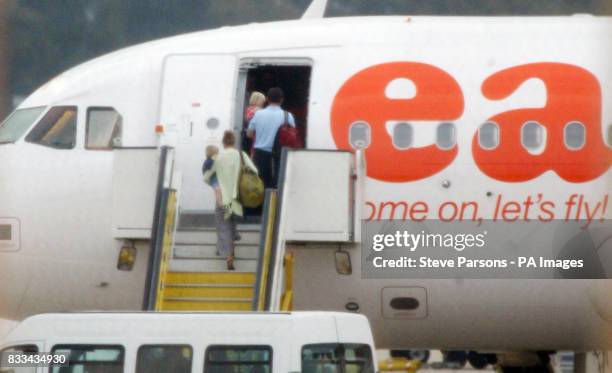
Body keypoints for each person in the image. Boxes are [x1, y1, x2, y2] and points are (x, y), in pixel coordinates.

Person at [203, 130, 258, 270]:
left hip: (223, 199)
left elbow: (206, 177)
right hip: (238, 199)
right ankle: (231, 250)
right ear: (234, 142)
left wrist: (216, 186)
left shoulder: (218, 157)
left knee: (223, 226)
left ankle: (228, 257)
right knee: (232, 224)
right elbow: (255, 172)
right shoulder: (241, 155)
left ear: (223, 142)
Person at [247, 87, 295, 188]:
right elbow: (293, 138)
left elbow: (249, 134)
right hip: (280, 156)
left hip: (259, 155)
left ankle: (261, 204)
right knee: (277, 186)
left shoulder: (258, 114)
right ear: (282, 100)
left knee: (259, 186)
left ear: (267, 99)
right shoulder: (288, 116)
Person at [243, 91, 266, 156]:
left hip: (247, 134)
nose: (263, 103)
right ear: (258, 101)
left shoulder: (248, 109)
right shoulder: (258, 111)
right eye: (262, 101)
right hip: (255, 136)